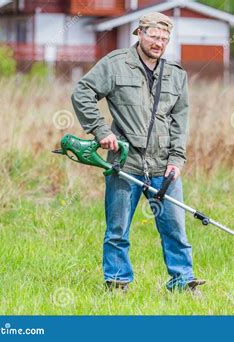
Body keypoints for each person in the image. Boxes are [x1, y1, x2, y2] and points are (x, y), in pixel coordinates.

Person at [71, 12, 205, 295]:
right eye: (154, 36)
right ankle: (117, 282)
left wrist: (176, 159)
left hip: (163, 167)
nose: (159, 43)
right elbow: (82, 92)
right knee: (118, 230)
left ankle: (183, 282)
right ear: (140, 33)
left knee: (175, 229)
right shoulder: (115, 64)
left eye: (164, 38)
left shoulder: (176, 75)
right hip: (125, 162)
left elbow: (181, 120)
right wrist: (101, 131)